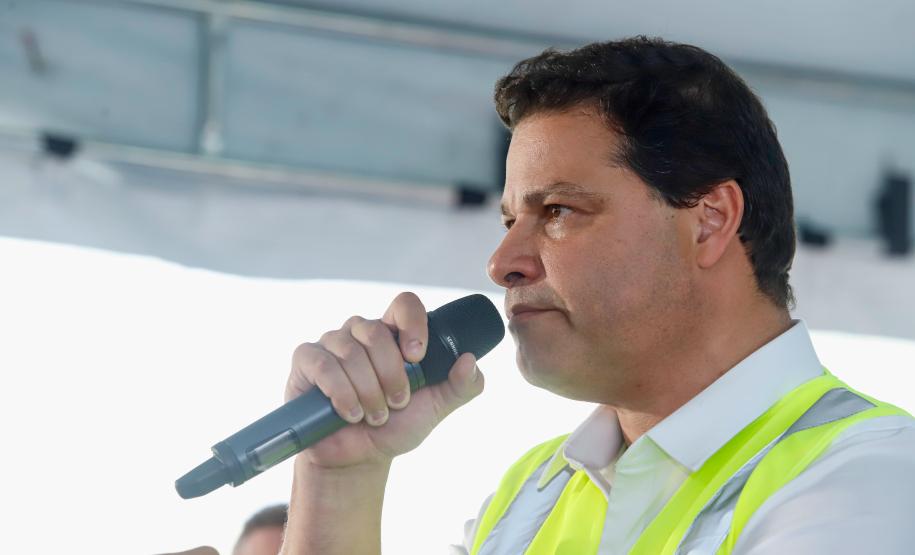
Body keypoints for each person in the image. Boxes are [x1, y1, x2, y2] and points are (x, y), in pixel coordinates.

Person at [278, 37, 915, 554]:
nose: (503, 263)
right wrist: (343, 479)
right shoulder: (530, 490)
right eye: (508, 221)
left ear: (711, 220)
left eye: (558, 211)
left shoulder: (875, 477)